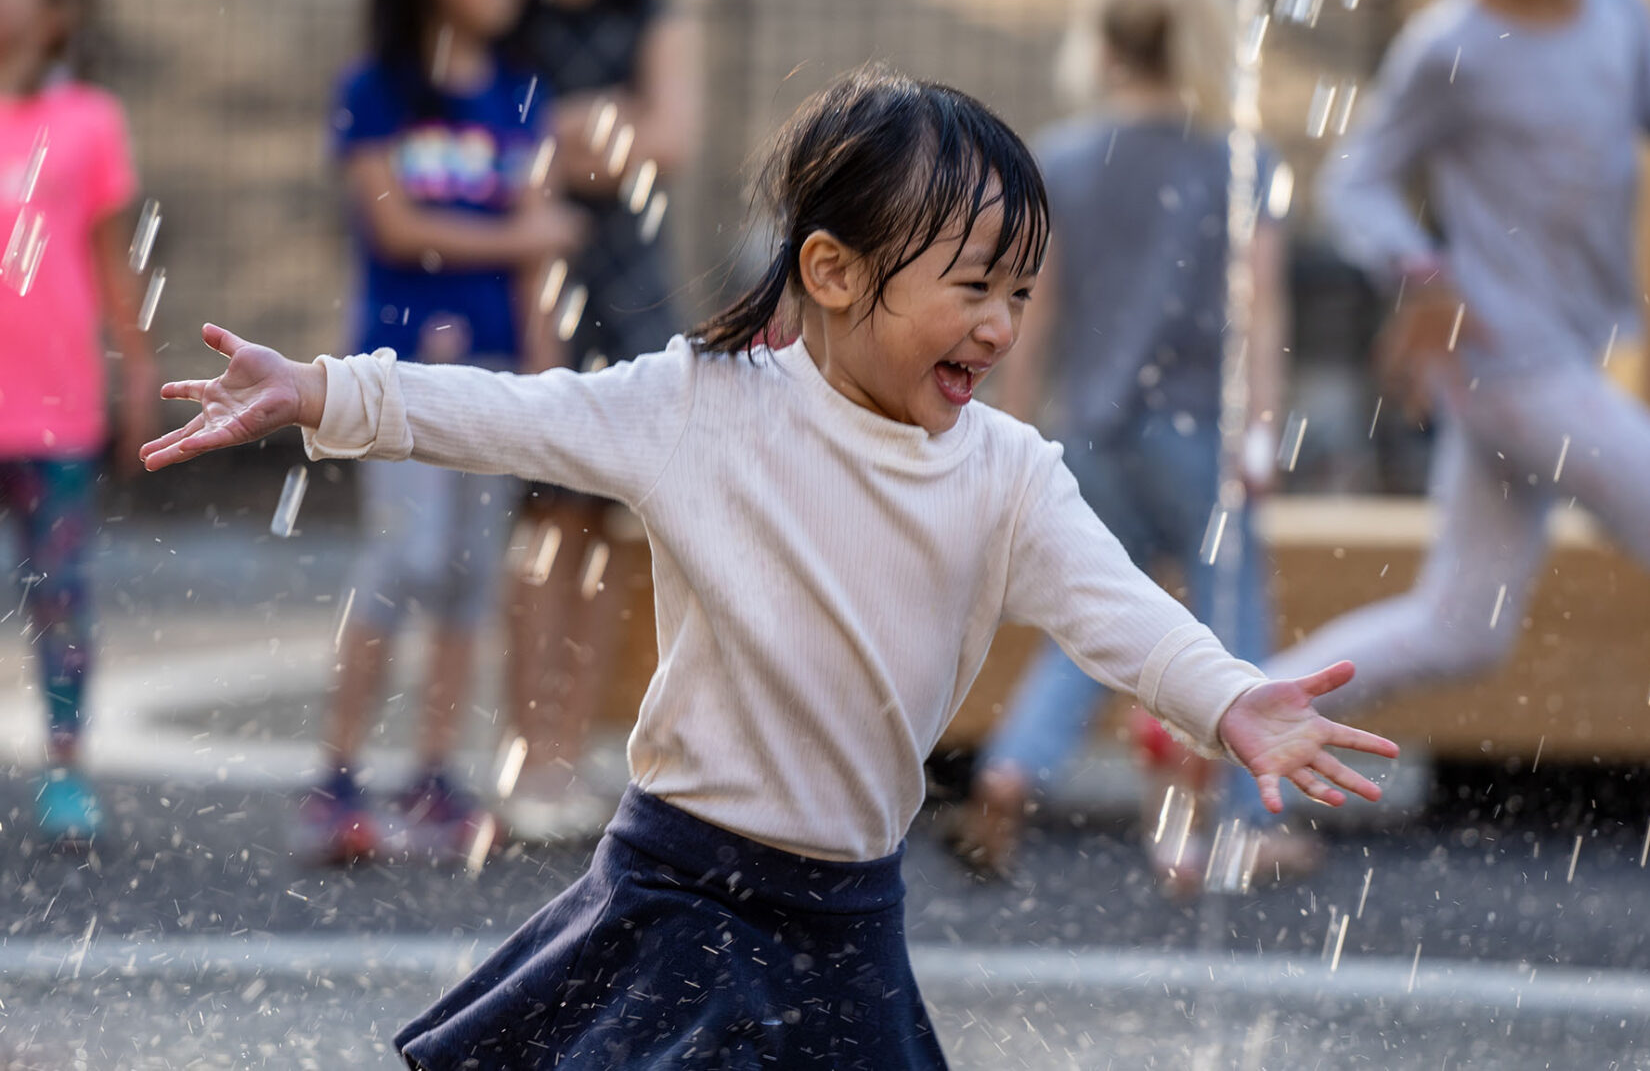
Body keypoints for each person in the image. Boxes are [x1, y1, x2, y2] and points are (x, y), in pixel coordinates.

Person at [142, 66, 1397, 1069]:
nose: (1001, 325)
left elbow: (1115, 605)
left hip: (849, 913)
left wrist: (1231, 696)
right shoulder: (705, 406)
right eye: (971, 286)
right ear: (833, 271)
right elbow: (514, 413)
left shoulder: (1006, 471)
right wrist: (319, 390)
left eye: (1019, 290)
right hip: (678, 885)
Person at [1263, 0, 1650, 777]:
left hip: (1567, 355)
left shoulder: (1620, 6)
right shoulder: (1455, 44)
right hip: (1507, 364)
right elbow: (1354, 184)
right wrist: (1423, 275)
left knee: (1461, 627)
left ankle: (1233, 714)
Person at [947, 0, 1300, 889]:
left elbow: (1035, 309)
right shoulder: (1239, 159)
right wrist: (1262, 426)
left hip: (1092, 429)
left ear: (1100, 36)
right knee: (1229, 620)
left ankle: (1017, 766)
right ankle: (1236, 821)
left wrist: (1018, 428)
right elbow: (1260, 303)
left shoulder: (1059, 158)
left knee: (1096, 612)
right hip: (1199, 430)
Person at [300, 0, 584, 864]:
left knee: (469, 578)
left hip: (503, 370)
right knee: (403, 558)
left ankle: (435, 776)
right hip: (397, 373)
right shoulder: (371, 88)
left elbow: (543, 255)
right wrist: (518, 233)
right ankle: (335, 773)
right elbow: (394, 222)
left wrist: (551, 383)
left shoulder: (521, 91)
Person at [496, 0, 701, 843]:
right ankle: (520, 752)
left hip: (628, 298)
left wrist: (558, 137)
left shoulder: (653, 14)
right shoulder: (506, 11)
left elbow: (672, 134)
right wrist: (589, 131)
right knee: (536, 528)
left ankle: (571, 750)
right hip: (521, 290)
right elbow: (491, 142)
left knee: (606, 533)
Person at [0, 0, 157, 843]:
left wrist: (136, 366)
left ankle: (66, 768)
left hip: (55, 407)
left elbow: (110, 259)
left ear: (57, 9)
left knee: (61, 594)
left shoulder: (91, 120)